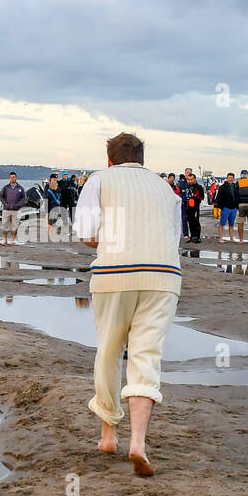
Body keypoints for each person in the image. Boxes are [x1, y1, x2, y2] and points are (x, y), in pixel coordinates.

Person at [74, 132, 181, 478]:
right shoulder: (167, 189)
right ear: (142, 159)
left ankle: (108, 435)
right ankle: (138, 442)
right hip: (164, 276)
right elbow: (174, 237)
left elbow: (87, 233)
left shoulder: (99, 181)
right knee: (146, 356)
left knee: (109, 349)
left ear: (110, 159)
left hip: (114, 274)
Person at [0, 171, 26, 243]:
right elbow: (1, 196)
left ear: (16, 178)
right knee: (4, 225)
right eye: (11, 177)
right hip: (6, 209)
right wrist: (5, 204)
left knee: (15, 226)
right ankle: (5, 240)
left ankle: (13, 240)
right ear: (9, 178)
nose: (12, 178)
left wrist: (19, 205)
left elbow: (24, 198)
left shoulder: (20, 188)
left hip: (16, 210)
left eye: (13, 177)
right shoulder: (5, 187)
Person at [179, 171, 205, 243]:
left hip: (195, 207)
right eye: (188, 179)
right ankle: (193, 236)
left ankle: (198, 237)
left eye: (191, 179)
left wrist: (195, 196)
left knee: (196, 222)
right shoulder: (187, 186)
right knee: (190, 222)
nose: (190, 181)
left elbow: (202, 197)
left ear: (195, 179)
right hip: (188, 207)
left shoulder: (199, 187)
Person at [214, 173, 238, 243]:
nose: (230, 179)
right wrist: (221, 207)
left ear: (233, 178)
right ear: (227, 178)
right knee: (222, 224)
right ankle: (220, 238)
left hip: (234, 208)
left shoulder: (235, 187)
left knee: (232, 224)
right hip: (225, 208)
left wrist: (237, 206)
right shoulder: (222, 187)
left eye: (231, 178)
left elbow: (237, 197)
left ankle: (232, 238)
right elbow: (218, 198)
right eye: (229, 178)